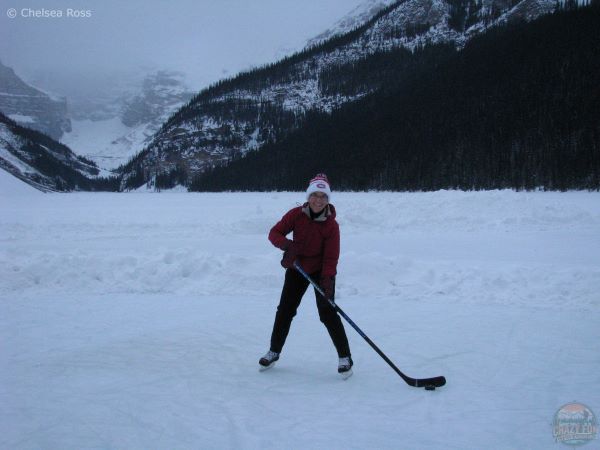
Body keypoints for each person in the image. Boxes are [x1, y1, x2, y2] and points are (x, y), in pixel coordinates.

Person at [259, 173, 353, 378]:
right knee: (285, 310)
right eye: (315, 195)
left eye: (323, 196)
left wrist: (327, 280)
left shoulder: (331, 225)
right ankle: (274, 351)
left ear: (328, 199)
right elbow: (274, 233)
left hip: (322, 272)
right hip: (297, 268)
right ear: (308, 196)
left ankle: (345, 357)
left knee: (327, 314)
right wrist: (288, 246)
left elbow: (331, 258)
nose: (318, 200)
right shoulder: (296, 215)